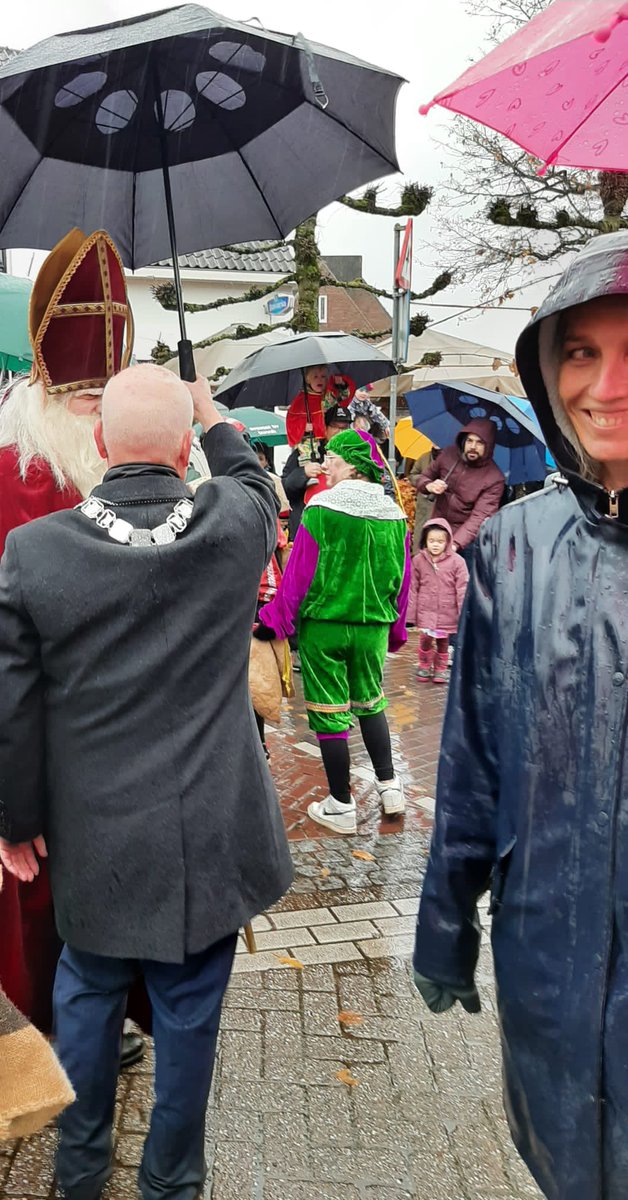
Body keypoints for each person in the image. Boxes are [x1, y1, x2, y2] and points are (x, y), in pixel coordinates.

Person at [0, 364, 293, 1200]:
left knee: (87, 992)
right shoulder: (234, 525)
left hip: (96, 831)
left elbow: (12, 710)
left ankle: (80, 1172)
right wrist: (211, 411)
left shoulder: (36, 551)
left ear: (98, 441)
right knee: (190, 1013)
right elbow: (252, 478)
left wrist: (14, 819)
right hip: (211, 832)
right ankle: (171, 1180)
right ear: (186, 448)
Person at [413, 231, 628, 1200]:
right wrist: (444, 925)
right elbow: (474, 761)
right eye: (581, 352)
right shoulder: (513, 548)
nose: (606, 386)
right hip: (547, 958)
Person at [0, 228, 146, 1056]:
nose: (97, 416)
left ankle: (109, 1012)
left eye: (107, 399)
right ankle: (57, 1026)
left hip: (122, 735)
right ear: (47, 390)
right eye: (84, 401)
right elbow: (0, 649)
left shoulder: (129, 466)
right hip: (50, 731)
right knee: (49, 884)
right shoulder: (18, 474)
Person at [257, 430, 409, 834]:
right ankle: (389, 786)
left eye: (334, 460)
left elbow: (298, 577)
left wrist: (274, 620)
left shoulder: (322, 510)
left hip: (325, 627)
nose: (326, 466)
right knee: (371, 702)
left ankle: (341, 804)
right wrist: (395, 629)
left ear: (354, 467)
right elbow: (402, 581)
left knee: (330, 712)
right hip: (373, 628)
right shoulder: (394, 516)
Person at [414, 419, 505, 563]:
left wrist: (454, 545)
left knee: (461, 576)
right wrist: (429, 485)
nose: (473, 447)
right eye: (469, 441)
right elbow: (423, 477)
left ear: (488, 446)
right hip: (437, 530)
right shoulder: (449, 454)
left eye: (480, 443)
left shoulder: (494, 478)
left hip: (466, 541)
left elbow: (478, 517)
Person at [407, 517, 468, 685]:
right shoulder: (418, 561)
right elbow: (413, 587)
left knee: (443, 641)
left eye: (440, 541)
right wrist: (410, 615)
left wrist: (462, 611)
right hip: (425, 609)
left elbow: (462, 587)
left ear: (447, 542)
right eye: (432, 541)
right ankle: (424, 665)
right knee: (425, 638)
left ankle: (440, 669)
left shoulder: (457, 562)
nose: (435, 545)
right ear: (425, 540)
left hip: (446, 611)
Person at [282, 404, 354, 539]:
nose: (340, 432)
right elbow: (284, 489)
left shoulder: (355, 457)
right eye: (335, 426)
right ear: (325, 428)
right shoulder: (304, 452)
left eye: (344, 428)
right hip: (307, 530)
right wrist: (303, 473)